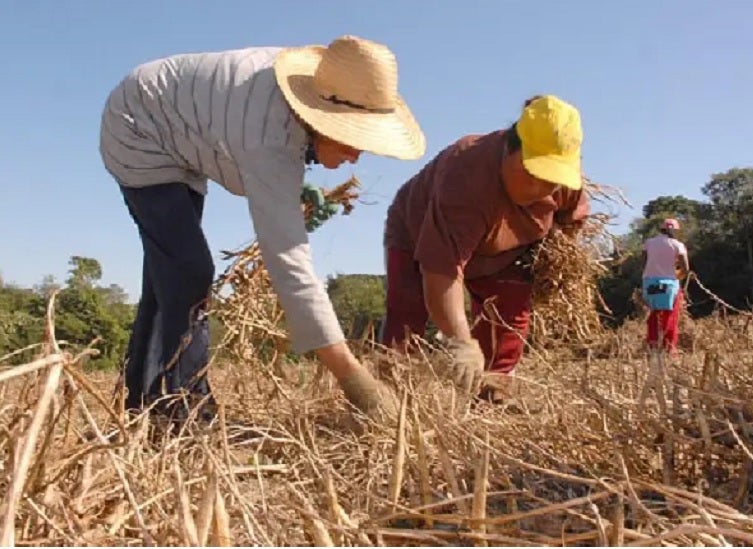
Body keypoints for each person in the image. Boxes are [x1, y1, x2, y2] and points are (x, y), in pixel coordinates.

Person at [99, 35, 426, 422]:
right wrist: (354, 378)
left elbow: (255, 153)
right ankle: (186, 411)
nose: (357, 154)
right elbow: (289, 262)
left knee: (168, 278)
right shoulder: (267, 134)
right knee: (188, 272)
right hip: (139, 127)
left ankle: (146, 404)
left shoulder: (302, 97)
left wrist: (292, 186)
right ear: (320, 116)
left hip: (177, 127)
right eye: (352, 138)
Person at [381, 95, 591, 403]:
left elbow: (569, 225)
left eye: (550, 180)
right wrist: (460, 342)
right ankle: (390, 397)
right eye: (531, 173)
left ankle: (491, 396)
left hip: (504, 251)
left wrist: (549, 261)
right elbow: (442, 270)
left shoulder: (567, 186)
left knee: (509, 316)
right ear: (510, 147)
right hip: (418, 235)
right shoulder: (467, 175)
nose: (539, 189)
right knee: (406, 314)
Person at [641, 219, 689, 353]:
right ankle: (669, 347)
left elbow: (644, 261)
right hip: (669, 283)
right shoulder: (677, 245)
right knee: (670, 315)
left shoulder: (649, 243)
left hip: (649, 282)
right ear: (674, 230)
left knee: (654, 314)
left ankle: (653, 344)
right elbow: (685, 268)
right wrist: (680, 276)